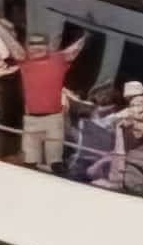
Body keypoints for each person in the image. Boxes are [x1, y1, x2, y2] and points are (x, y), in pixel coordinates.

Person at [11, 25, 88, 170]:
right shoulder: (24, 60)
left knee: (56, 165)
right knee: (29, 164)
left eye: (40, 43)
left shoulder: (58, 59)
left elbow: (75, 50)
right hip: (32, 120)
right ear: (28, 46)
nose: (37, 47)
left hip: (53, 119)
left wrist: (86, 37)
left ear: (46, 45)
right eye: (33, 43)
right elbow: (11, 43)